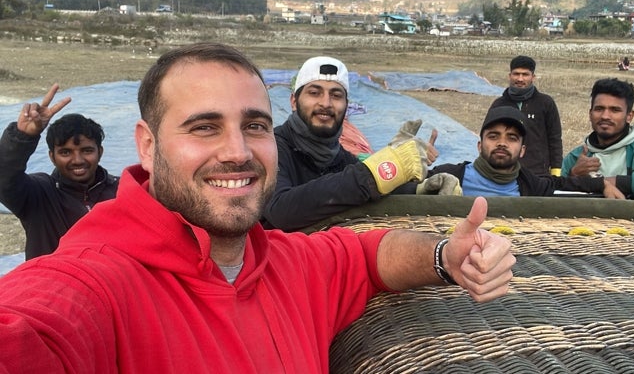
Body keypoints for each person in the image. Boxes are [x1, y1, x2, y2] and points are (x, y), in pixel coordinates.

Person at [0, 42, 515, 372]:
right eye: (204, 127)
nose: (238, 151)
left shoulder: (288, 264)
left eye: (253, 126)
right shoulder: (100, 283)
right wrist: (374, 174)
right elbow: (33, 328)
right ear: (147, 146)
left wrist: (445, 256)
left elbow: (365, 254)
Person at [263, 56, 461, 232]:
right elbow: (280, 211)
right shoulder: (272, 149)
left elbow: (366, 187)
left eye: (336, 95)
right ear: (293, 101)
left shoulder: (340, 159)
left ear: (346, 107)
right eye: (314, 93)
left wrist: (420, 190)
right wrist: (374, 173)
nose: (326, 103)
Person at [0, 84, 118, 260]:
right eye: (65, 152)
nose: (77, 160)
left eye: (86, 150)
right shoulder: (38, 194)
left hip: (109, 285)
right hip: (52, 286)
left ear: (99, 152)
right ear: (52, 157)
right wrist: (22, 136)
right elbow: (5, 177)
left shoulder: (122, 192)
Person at [429, 106, 623, 198]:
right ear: (479, 145)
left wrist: (602, 184)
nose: (502, 143)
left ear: (522, 150)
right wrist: (410, 159)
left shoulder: (532, 185)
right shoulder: (449, 177)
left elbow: (564, 184)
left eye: (512, 138)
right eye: (494, 136)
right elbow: (405, 185)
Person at [561, 78, 634, 199]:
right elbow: (555, 199)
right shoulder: (575, 158)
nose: (605, 116)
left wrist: (621, 182)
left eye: (615, 110)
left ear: (629, 116)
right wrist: (573, 176)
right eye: (599, 109)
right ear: (590, 114)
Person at [489, 55, 563, 177]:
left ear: (533, 77)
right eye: (516, 74)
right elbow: (489, 137)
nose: (520, 79)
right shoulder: (499, 105)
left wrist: (555, 171)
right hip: (505, 172)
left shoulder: (545, 103)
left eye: (525, 74)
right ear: (509, 75)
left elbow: (554, 138)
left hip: (538, 173)